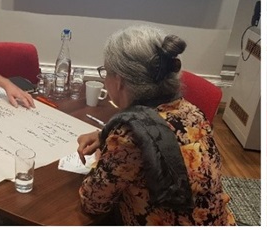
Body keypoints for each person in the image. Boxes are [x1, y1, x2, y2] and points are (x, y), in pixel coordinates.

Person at [75, 25, 236, 226]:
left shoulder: (127, 137)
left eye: (106, 72)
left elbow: (93, 202)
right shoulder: (191, 111)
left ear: (119, 81)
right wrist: (103, 135)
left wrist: (103, 156)